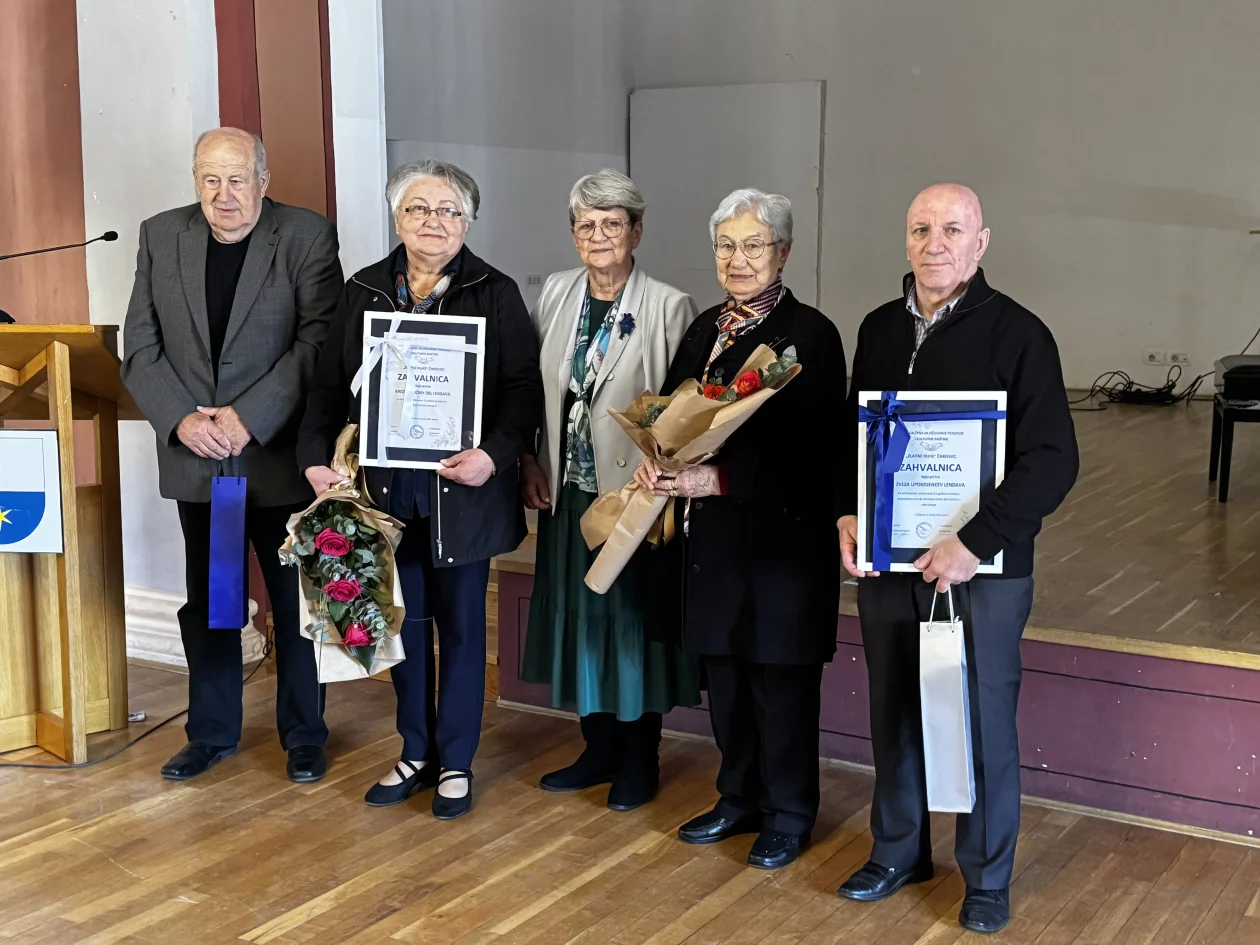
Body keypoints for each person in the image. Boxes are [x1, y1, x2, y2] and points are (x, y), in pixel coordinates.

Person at [835, 184, 1078, 934]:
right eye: (919, 228)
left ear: (981, 242)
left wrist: (976, 542)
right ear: (905, 240)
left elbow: (1053, 460)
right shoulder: (878, 327)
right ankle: (898, 850)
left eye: (951, 228)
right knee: (894, 711)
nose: (934, 242)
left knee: (981, 721)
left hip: (983, 572)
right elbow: (858, 435)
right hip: (891, 564)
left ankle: (986, 875)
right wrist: (849, 512)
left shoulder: (1020, 334)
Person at [298, 159, 543, 820]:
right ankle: (415, 750)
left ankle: (457, 761)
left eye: (448, 210)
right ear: (397, 218)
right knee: (399, 625)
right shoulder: (364, 290)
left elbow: (524, 391)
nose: (434, 222)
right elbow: (327, 385)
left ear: (468, 221)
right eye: (418, 209)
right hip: (385, 493)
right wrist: (316, 459)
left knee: (463, 628)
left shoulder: (495, 291)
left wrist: (494, 456)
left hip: (465, 493)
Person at [121, 127, 343, 783]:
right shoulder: (161, 235)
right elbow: (140, 343)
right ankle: (211, 732)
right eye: (210, 179)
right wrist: (181, 419)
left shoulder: (305, 236)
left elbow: (317, 342)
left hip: (274, 458)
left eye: (237, 178)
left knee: (295, 604)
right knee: (213, 602)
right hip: (202, 461)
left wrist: (250, 417)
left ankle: (304, 736)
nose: (224, 195)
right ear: (195, 181)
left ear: (263, 180)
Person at [637, 189, 846, 870]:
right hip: (715, 543)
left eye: (754, 244)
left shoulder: (809, 335)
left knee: (778, 682)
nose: (738, 257)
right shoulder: (704, 329)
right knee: (725, 675)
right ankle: (738, 796)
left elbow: (815, 456)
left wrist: (717, 480)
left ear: (783, 251)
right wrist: (657, 462)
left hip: (781, 546)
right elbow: (672, 414)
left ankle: (788, 811)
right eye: (726, 244)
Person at [520, 170, 700, 811]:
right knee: (579, 620)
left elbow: (685, 413)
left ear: (636, 231)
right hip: (569, 490)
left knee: (627, 624)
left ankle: (638, 759)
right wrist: (531, 462)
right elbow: (543, 394)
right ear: (573, 235)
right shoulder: (557, 294)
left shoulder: (669, 305)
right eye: (586, 225)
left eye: (613, 224)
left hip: (631, 496)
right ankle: (596, 749)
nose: (599, 236)